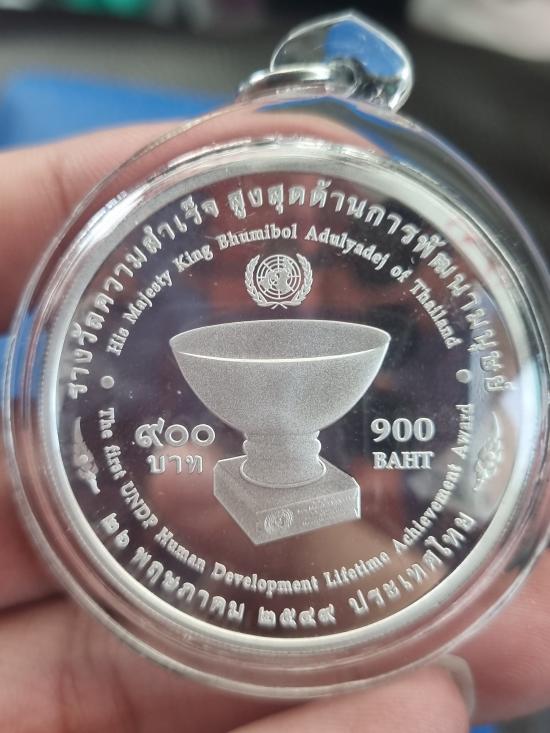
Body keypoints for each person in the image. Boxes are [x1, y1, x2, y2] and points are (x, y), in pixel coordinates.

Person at [1, 124, 548, 733]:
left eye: (313, 232)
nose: (294, 234)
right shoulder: (159, 305)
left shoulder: (398, 317)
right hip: (144, 568)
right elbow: (100, 419)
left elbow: (464, 400)